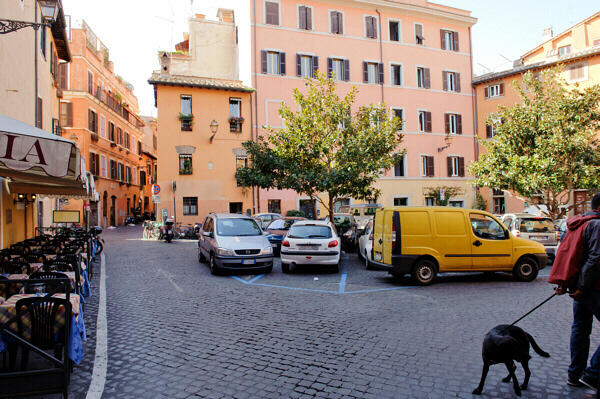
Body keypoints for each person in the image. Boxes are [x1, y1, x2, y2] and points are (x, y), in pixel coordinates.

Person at [555, 192, 600, 390]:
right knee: (580, 329)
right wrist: (582, 286)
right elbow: (595, 258)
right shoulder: (597, 225)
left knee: (580, 329)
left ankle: (574, 375)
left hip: (578, 289)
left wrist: (565, 283)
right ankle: (593, 374)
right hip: (592, 287)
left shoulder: (576, 223)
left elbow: (564, 254)